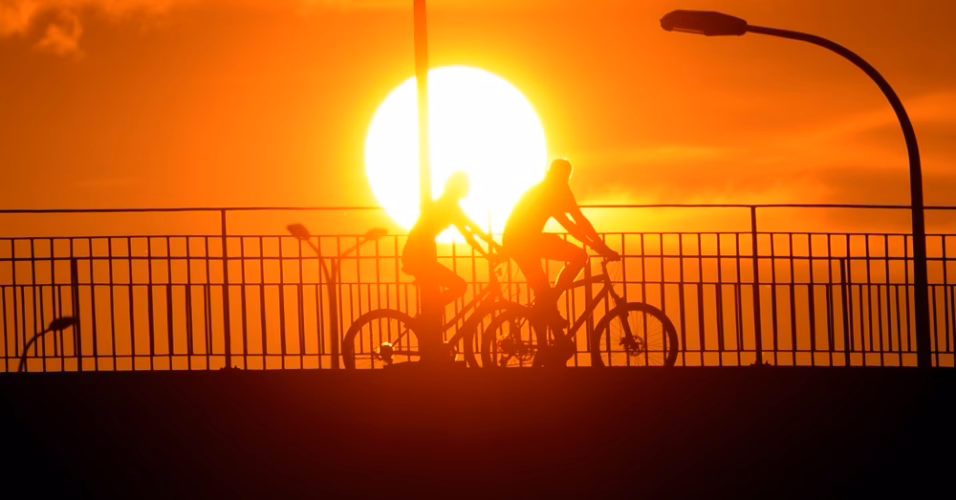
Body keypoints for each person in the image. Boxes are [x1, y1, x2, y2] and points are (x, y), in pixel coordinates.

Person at [502, 158, 620, 332]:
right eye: (562, 176)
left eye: (565, 177)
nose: (563, 180)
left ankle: (549, 314)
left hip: (522, 240)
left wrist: (597, 244)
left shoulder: (553, 188)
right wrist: (598, 246)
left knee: (543, 291)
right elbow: (573, 223)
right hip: (522, 241)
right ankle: (551, 303)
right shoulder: (550, 191)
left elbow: (576, 221)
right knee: (579, 257)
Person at [401, 171, 500, 307]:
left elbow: (469, 234)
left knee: (441, 292)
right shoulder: (450, 207)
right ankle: (433, 309)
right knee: (460, 286)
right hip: (421, 256)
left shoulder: (445, 204)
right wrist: (493, 249)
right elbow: (473, 230)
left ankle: (431, 311)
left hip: (416, 253)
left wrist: (488, 252)